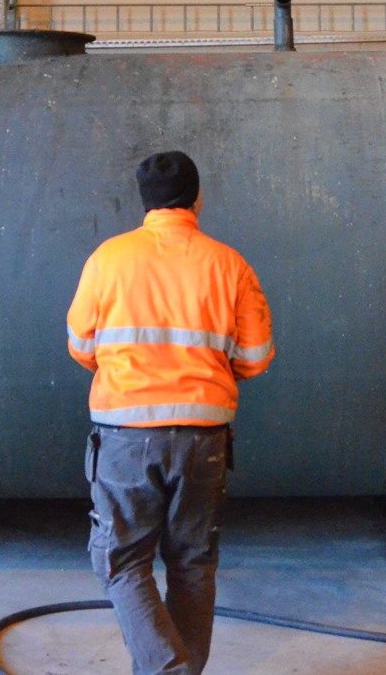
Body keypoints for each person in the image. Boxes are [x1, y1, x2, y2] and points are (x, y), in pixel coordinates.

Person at [66, 151, 274, 674]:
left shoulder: (107, 259)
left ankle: (168, 671)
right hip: (203, 438)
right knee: (193, 564)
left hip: (125, 435)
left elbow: (79, 345)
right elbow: (255, 357)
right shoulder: (229, 263)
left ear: (144, 203)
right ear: (197, 199)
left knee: (120, 561)